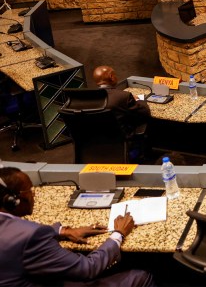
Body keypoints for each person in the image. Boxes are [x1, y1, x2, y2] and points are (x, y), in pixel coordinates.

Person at [0, 167, 153, 287]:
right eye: (30, 191)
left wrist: (62, 231)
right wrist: (118, 234)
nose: (33, 196)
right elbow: (87, 268)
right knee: (140, 277)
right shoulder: (32, 235)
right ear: (14, 200)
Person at [92, 65, 151, 158]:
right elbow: (145, 112)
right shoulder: (123, 96)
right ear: (111, 77)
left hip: (96, 147)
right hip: (124, 145)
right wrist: (138, 100)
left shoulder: (89, 98)